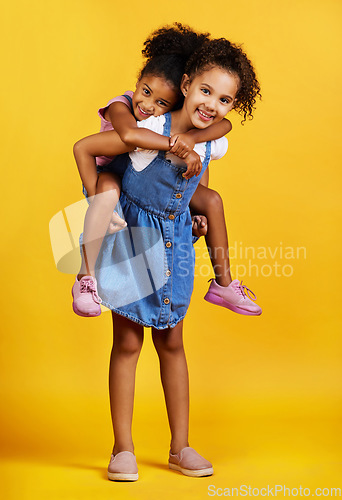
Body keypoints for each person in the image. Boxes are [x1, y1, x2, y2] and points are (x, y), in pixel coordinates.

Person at [75, 36, 262, 480]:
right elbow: (92, 149)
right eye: (204, 91)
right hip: (132, 245)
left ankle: (181, 446)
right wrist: (98, 197)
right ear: (185, 85)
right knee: (128, 344)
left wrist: (195, 211)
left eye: (224, 99)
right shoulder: (151, 130)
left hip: (176, 247)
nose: (212, 104)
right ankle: (123, 450)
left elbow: (212, 152)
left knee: (173, 343)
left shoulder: (211, 136)